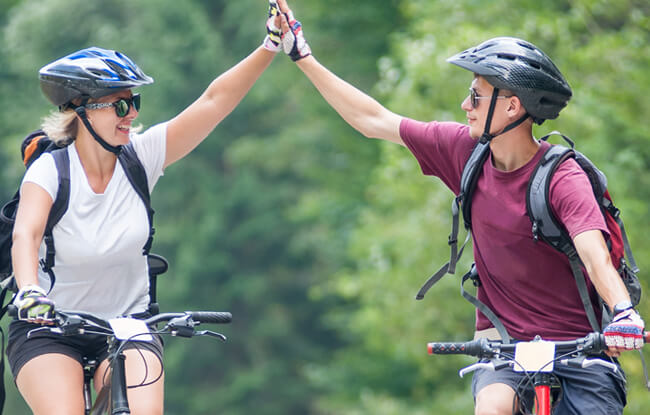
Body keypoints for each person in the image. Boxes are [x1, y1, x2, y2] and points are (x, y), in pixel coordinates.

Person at [273, 1, 645, 414]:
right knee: (492, 407)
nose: (465, 105)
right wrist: (303, 57)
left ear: (512, 106)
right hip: (504, 345)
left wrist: (623, 314)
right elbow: (373, 119)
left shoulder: (563, 177)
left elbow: (595, 255)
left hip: (582, 348)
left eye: (475, 96)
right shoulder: (464, 152)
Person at [6, 3, 286, 415]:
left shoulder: (142, 157)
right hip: (50, 327)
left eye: (133, 101)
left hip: (128, 324)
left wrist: (271, 44)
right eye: (120, 105)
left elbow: (214, 101)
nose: (133, 113)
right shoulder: (51, 171)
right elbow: (26, 234)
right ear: (83, 110)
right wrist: (30, 291)